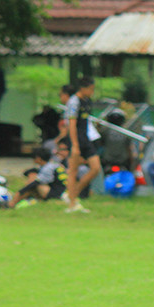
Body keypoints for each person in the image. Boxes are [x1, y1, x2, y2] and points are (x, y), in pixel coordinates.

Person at [63, 77, 101, 212]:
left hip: (85, 138)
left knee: (95, 168)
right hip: (75, 139)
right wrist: (74, 145)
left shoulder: (87, 101)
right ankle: (72, 204)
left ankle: (72, 194)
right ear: (83, 88)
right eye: (91, 89)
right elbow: (71, 124)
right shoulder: (74, 101)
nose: (92, 92)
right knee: (73, 171)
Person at [98, 108, 137, 173]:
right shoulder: (126, 133)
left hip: (107, 161)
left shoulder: (104, 131)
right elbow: (130, 149)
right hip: (122, 162)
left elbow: (99, 144)